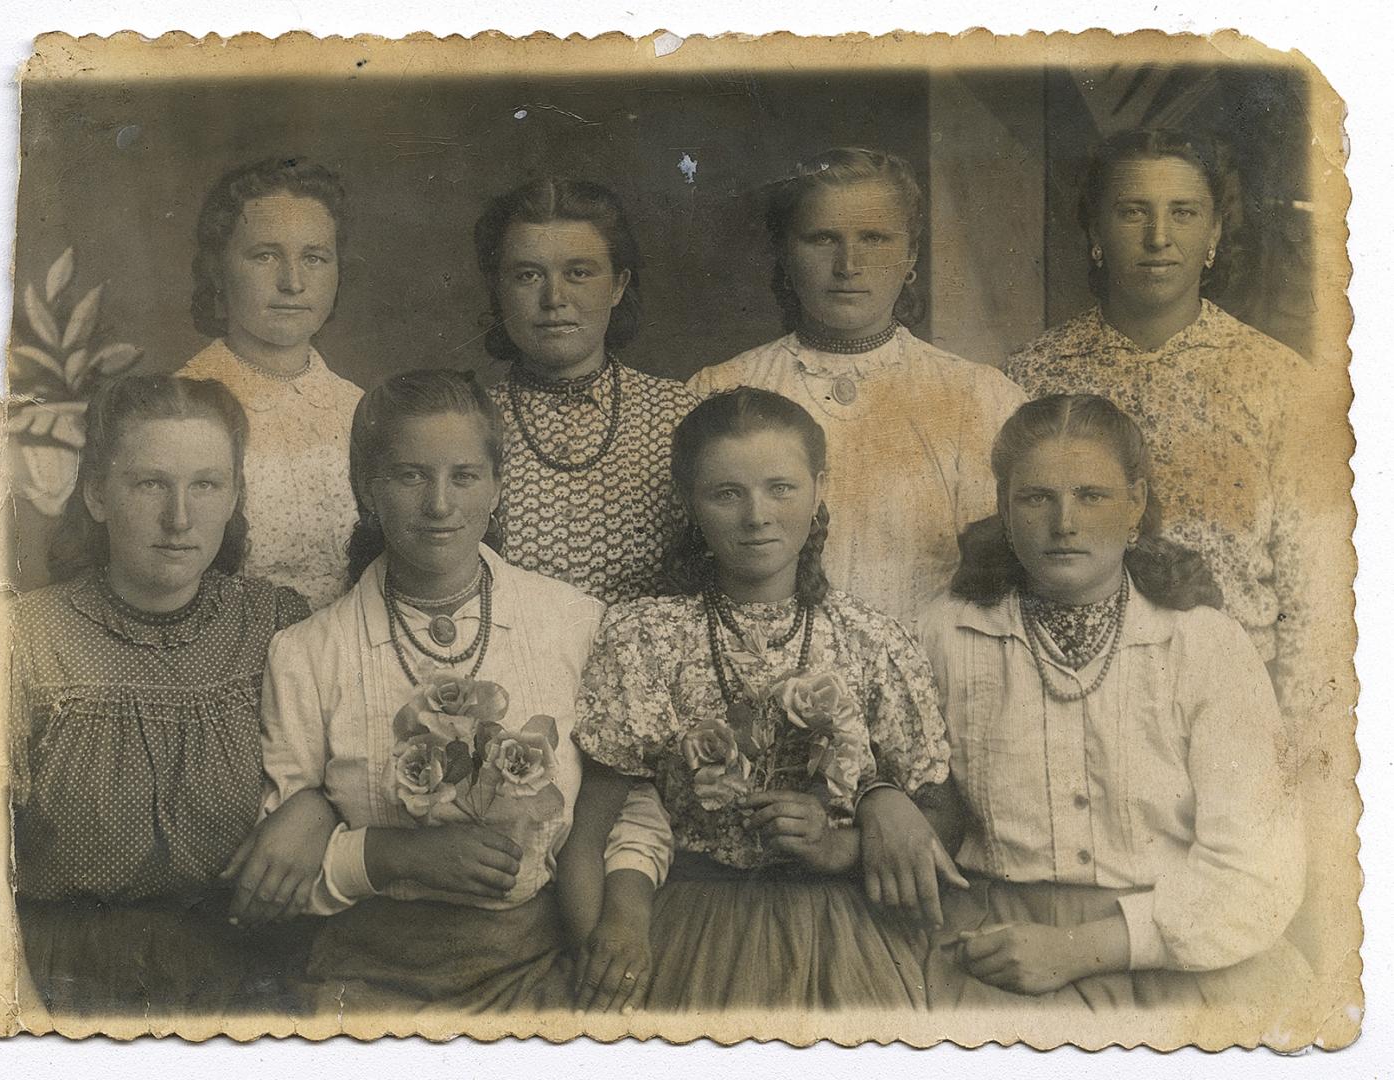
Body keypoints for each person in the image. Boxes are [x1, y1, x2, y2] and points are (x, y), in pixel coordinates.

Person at [245, 370, 672, 1014]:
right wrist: (398, 857)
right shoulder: (307, 652)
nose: (439, 505)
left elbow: (630, 803)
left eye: (465, 476)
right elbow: (285, 873)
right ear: (366, 489)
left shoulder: (575, 622)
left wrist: (623, 913)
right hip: (364, 983)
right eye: (410, 476)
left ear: (498, 486)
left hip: (540, 965)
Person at [563, 388, 960, 1012]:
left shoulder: (872, 640)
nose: (757, 515)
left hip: (842, 928)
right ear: (686, 502)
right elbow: (591, 836)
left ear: (819, 488)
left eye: (781, 487)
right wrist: (606, 954)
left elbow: (943, 823)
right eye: (727, 493)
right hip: (686, 923)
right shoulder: (643, 635)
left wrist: (842, 844)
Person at [918, 393, 1308, 1011]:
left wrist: (1080, 949)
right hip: (995, 952)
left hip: (1176, 956)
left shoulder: (1204, 645)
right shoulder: (945, 635)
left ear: (1136, 505)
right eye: (1037, 497)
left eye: (1092, 496)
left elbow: (1262, 872)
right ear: (1004, 509)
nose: (1064, 522)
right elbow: (909, 798)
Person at [1003, 128, 1329, 732]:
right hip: (1073, 703)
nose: (1158, 238)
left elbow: (1312, 595)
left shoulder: (1277, 379)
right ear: (1096, 233)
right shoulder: (1031, 376)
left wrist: (1293, 747)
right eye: (1132, 213)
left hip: (1236, 710)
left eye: (1183, 213)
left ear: (1214, 234)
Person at [8, 375, 313, 1018]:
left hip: (242, 971)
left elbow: (344, 772)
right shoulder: (25, 639)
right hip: (66, 974)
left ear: (234, 495)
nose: (180, 518)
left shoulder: (276, 626)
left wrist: (315, 807)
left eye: (206, 485)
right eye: (150, 484)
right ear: (96, 495)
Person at [688, 147, 1027, 627]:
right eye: (823, 238)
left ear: (911, 255)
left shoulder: (980, 397)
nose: (849, 264)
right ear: (785, 252)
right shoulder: (721, 389)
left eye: (875, 238)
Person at [475, 177, 700, 604]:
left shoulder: (678, 414)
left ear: (617, 285)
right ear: (499, 290)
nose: (554, 298)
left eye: (578, 273)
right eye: (527, 275)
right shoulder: (469, 424)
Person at [178, 156, 363, 610]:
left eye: (315, 258)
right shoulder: (180, 404)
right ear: (218, 271)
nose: (293, 283)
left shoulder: (360, 408)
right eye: (265, 256)